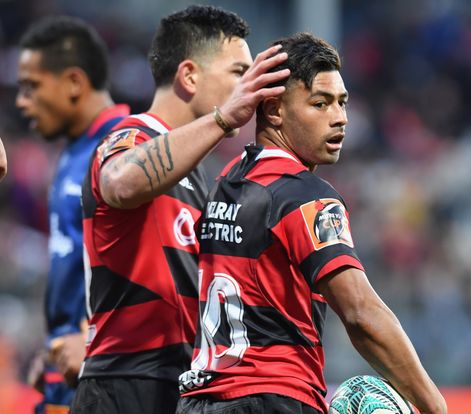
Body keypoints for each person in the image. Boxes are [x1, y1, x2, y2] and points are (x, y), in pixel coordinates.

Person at [177, 32, 447, 414]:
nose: (339, 118)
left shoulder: (228, 181)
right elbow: (360, 313)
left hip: (200, 400)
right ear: (273, 110)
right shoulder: (304, 195)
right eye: (320, 103)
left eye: (342, 102)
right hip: (271, 398)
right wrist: (435, 405)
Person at [74, 5, 290, 414]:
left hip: (182, 384)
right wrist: (225, 118)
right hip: (124, 382)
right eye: (238, 73)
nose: (250, 87)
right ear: (189, 75)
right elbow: (120, 184)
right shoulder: (128, 135)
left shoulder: (196, 174)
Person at [15, 16, 130, 414]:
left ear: (74, 83)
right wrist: (53, 345)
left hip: (106, 371)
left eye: (31, 86)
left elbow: (162, 266)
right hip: (67, 372)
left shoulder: (126, 148)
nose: (20, 100)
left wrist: (92, 338)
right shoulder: (72, 152)